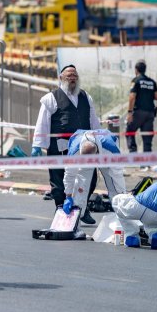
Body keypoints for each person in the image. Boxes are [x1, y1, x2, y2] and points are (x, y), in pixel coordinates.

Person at [31, 65, 101, 224]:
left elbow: (93, 121)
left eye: (75, 75)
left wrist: (99, 139)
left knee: (90, 178)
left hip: (84, 146)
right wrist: (37, 144)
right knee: (59, 179)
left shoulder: (85, 96)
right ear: (61, 78)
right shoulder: (51, 98)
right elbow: (42, 122)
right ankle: (60, 208)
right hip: (59, 146)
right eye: (69, 75)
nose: (72, 77)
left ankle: (82, 208)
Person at [62, 129, 126, 224]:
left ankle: (122, 218)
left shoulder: (110, 149)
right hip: (83, 149)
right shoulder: (74, 152)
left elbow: (117, 174)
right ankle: (77, 217)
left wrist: (121, 195)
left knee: (114, 186)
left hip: (105, 156)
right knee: (81, 185)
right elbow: (69, 175)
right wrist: (68, 196)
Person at [126, 60, 157, 153]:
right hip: (150, 113)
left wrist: (129, 112)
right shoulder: (152, 82)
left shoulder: (136, 80)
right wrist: (148, 94)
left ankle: (133, 155)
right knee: (147, 138)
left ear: (136, 70)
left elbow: (132, 97)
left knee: (130, 131)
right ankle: (146, 164)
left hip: (138, 113)